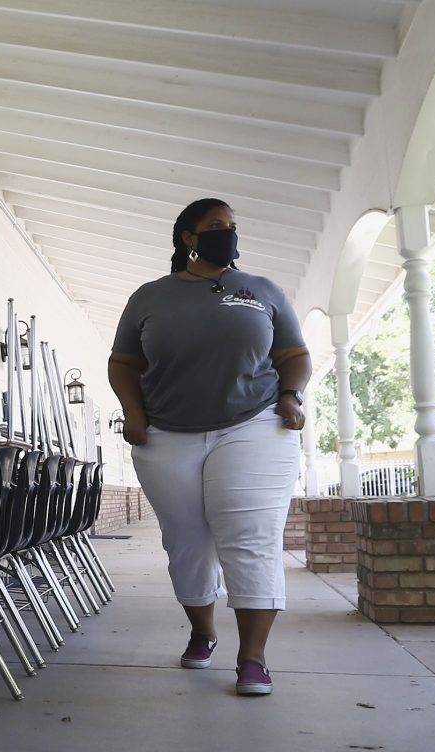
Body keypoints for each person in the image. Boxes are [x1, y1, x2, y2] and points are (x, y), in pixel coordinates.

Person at [106, 198, 311, 697]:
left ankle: (253, 658)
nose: (228, 234)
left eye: (233, 227)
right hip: (167, 433)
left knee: (251, 536)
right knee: (187, 542)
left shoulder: (262, 291)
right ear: (188, 238)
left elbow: (295, 356)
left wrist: (291, 394)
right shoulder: (151, 296)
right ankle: (203, 631)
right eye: (216, 227)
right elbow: (123, 363)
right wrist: (134, 414)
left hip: (254, 424)